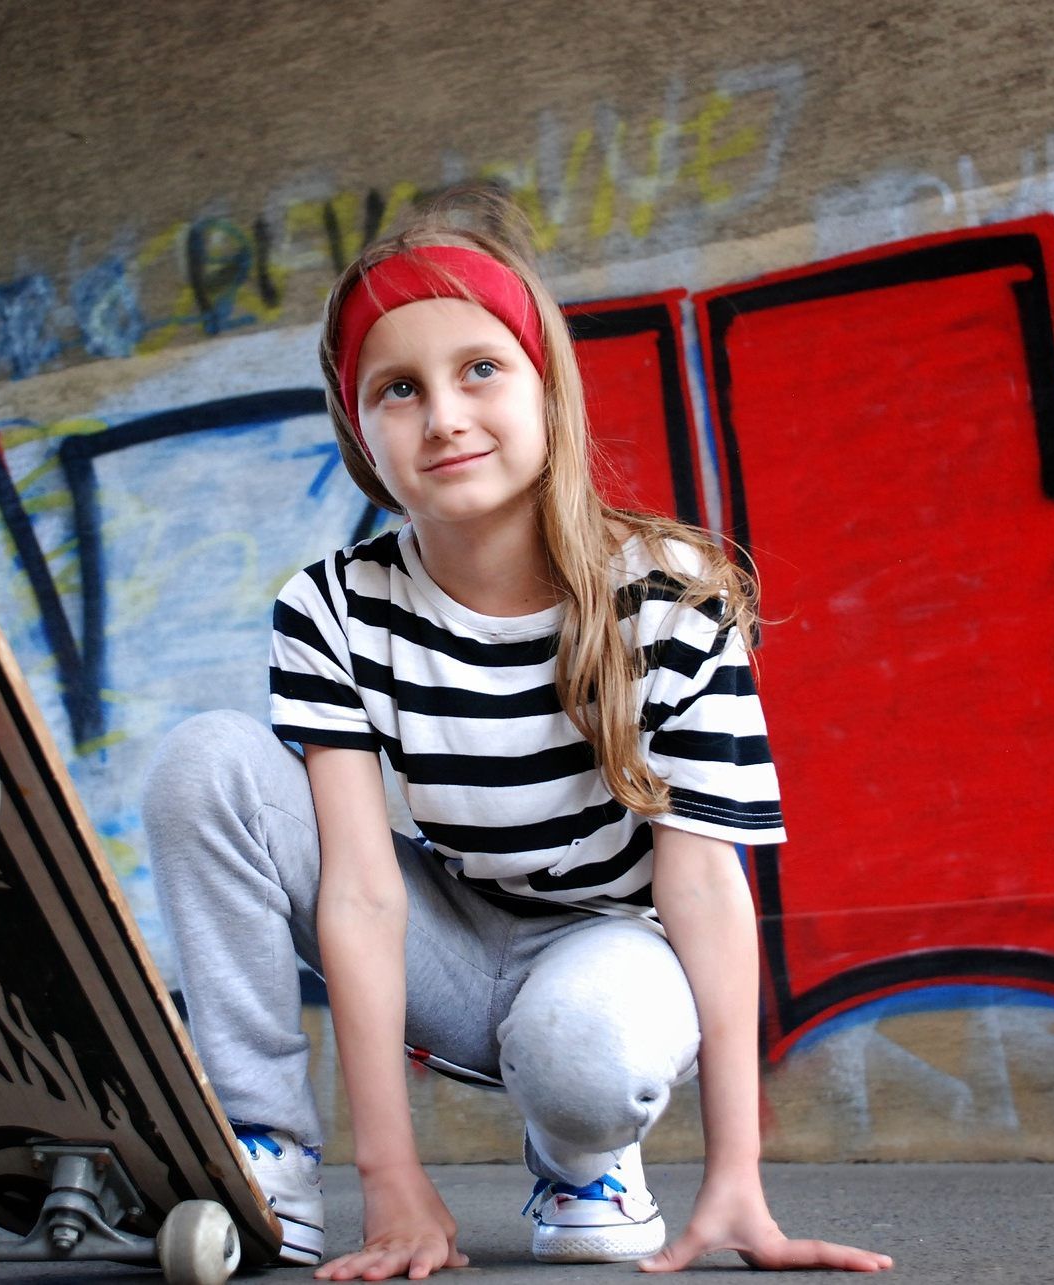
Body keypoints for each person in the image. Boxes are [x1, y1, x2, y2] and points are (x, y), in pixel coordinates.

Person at [142, 186, 892, 1278]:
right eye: (399, 388)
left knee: (586, 1050)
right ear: (359, 428)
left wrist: (737, 1172)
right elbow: (360, 892)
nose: (444, 416)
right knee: (204, 763)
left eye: (480, 369)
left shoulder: (671, 596)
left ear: (548, 386)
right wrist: (389, 1180)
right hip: (445, 946)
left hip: (606, 956)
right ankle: (267, 1153)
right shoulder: (333, 607)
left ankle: (583, 1153)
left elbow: (701, 885)